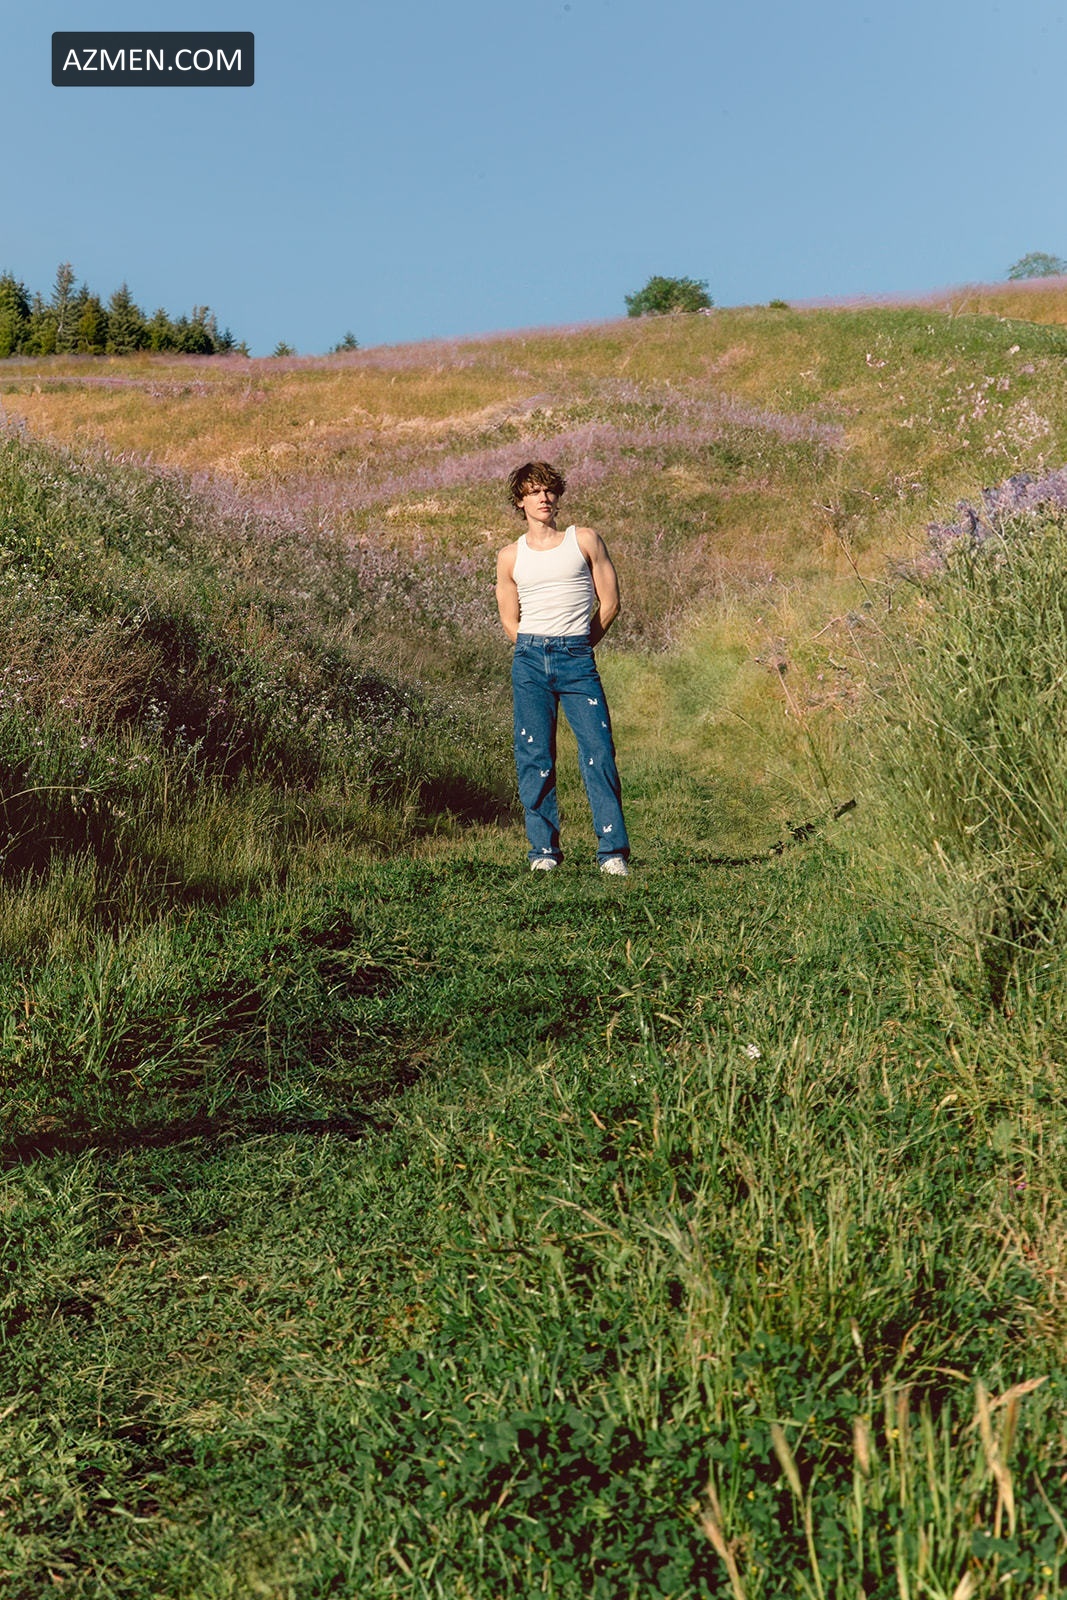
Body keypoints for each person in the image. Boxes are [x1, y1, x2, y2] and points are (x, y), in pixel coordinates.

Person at [495, 461, 630, 875]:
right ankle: (543, 852)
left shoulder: (583, 540)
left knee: (598, 752)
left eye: (549, 490)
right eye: (534, 492)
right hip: (530, 660)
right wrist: (535, 648)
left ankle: (612, 853)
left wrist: (579, 645)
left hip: (577, 659)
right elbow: (509, 621)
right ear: (520, 501)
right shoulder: (509, 556)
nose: (544, 498)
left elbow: (610, 604)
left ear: (558, 496)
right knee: (534, 754)